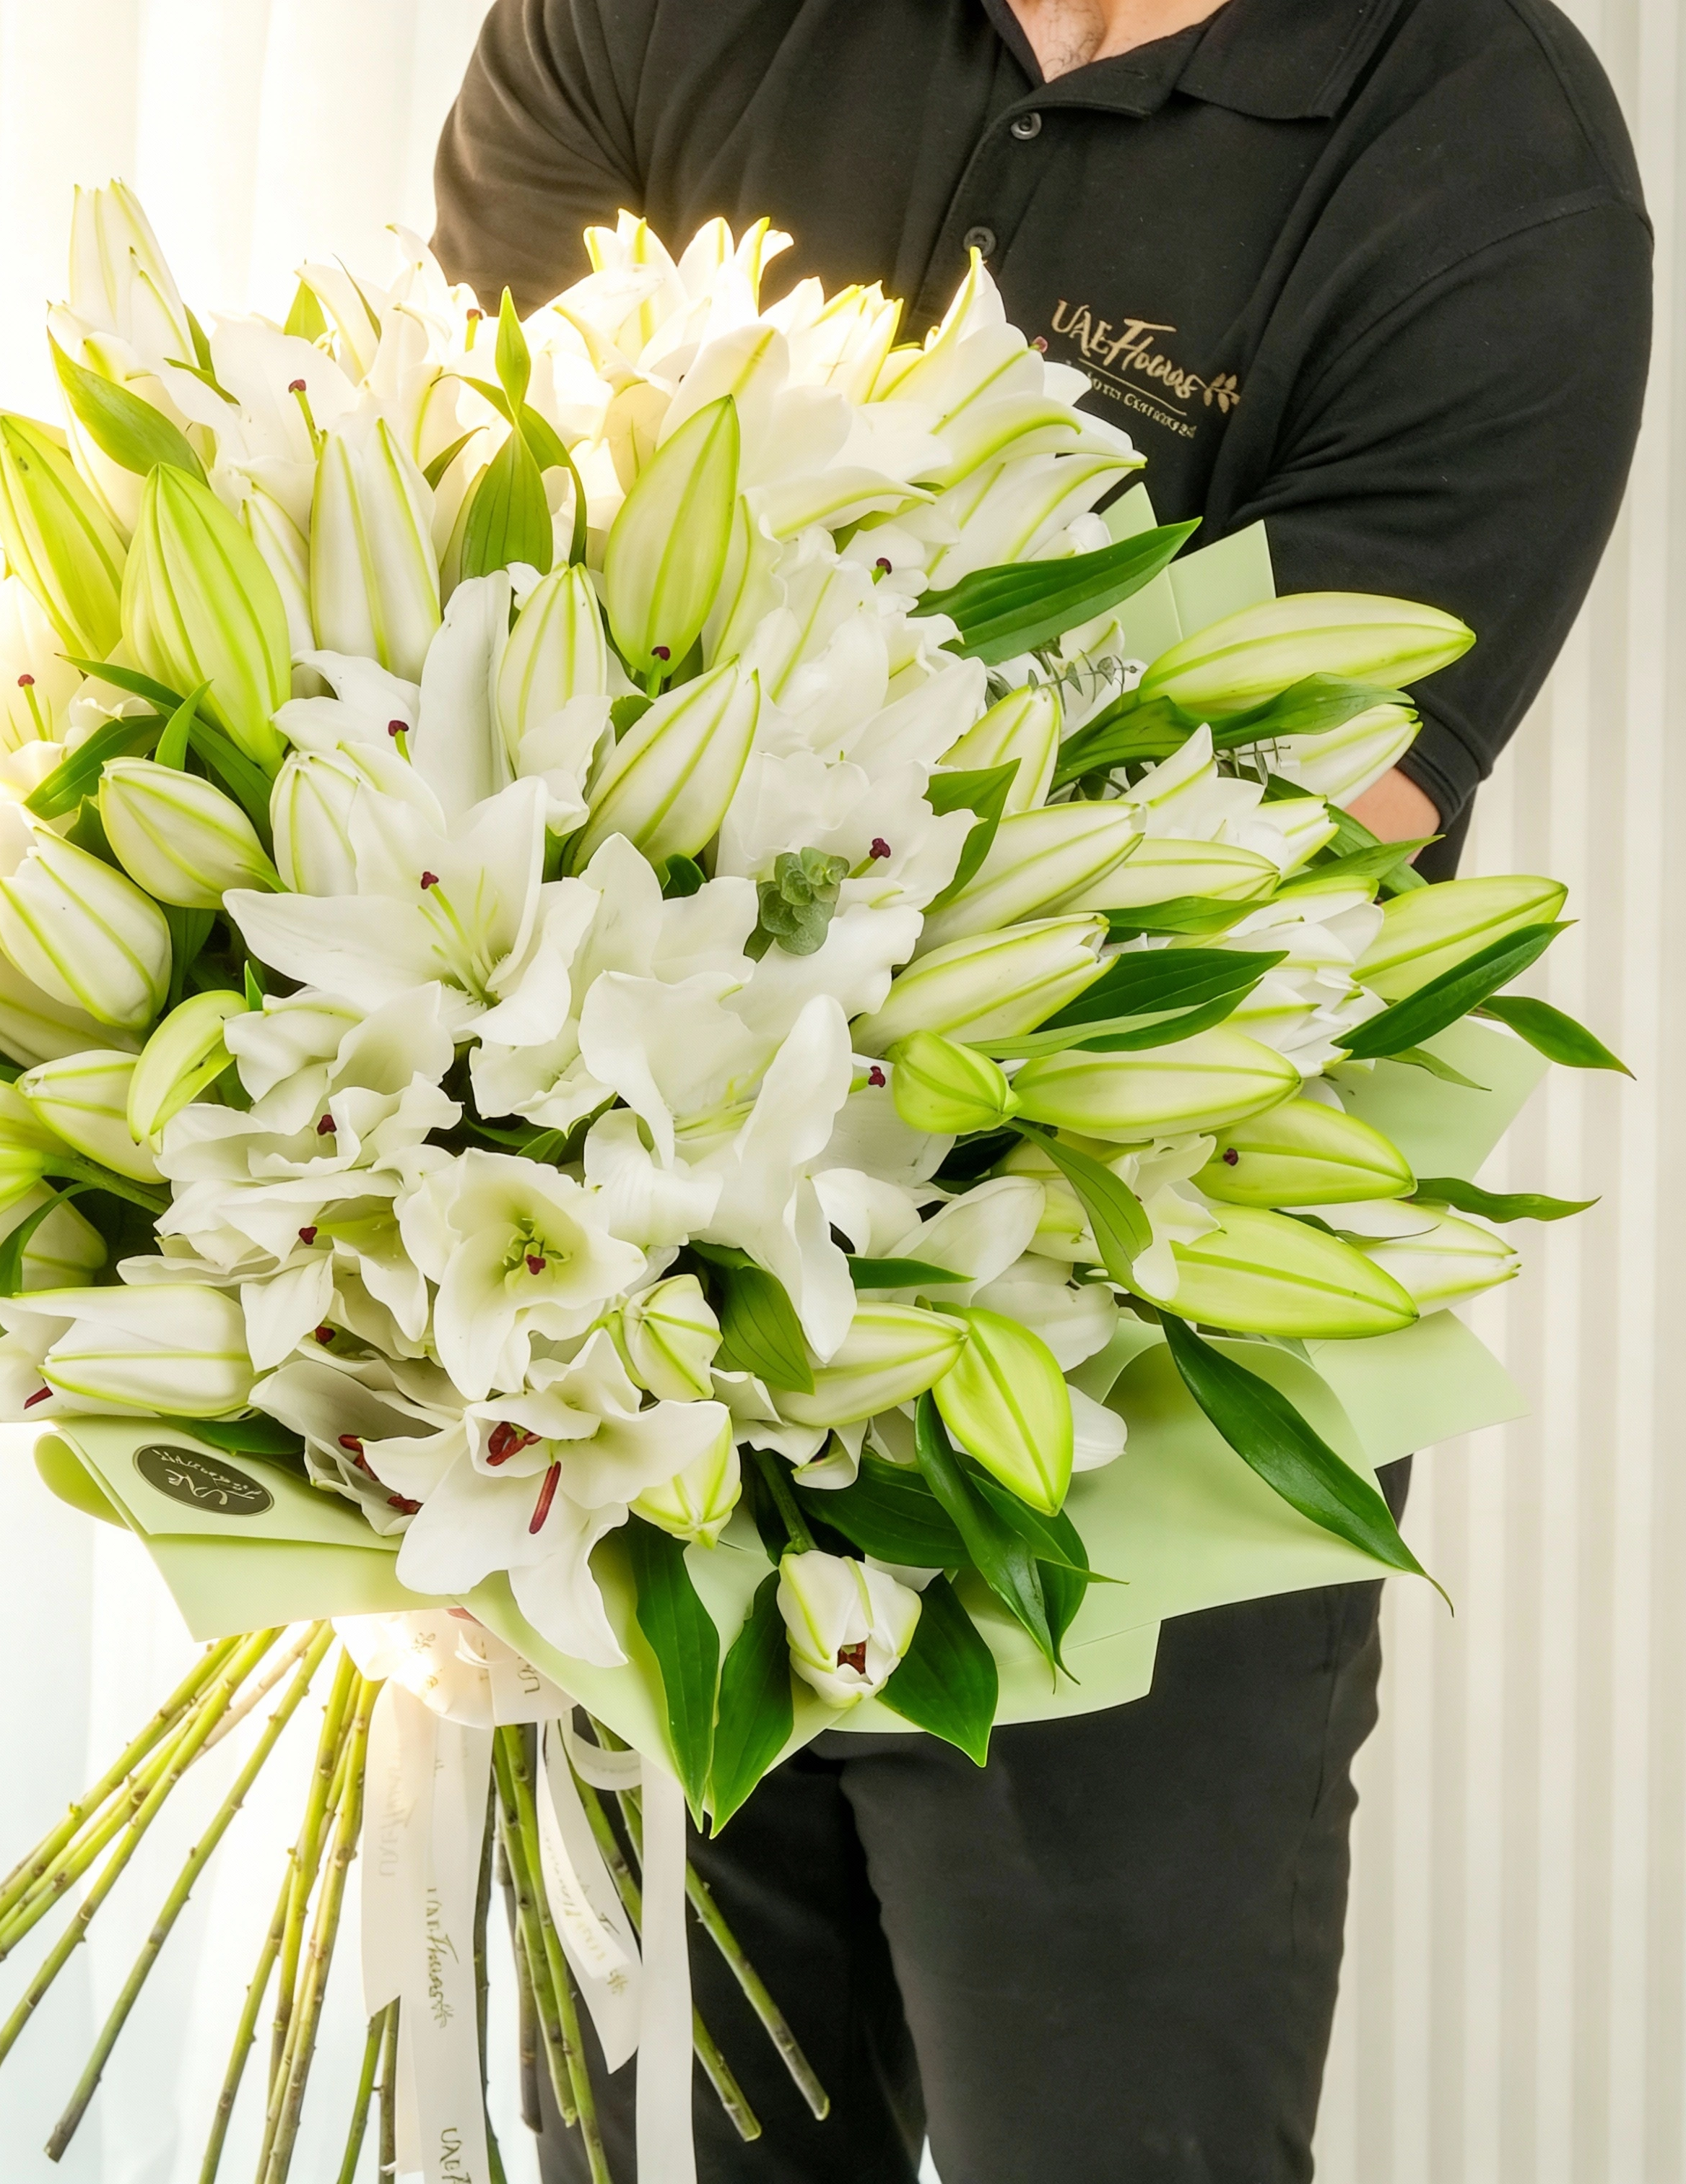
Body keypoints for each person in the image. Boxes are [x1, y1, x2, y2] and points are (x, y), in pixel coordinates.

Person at [429, 3, 1651, 2179]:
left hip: (1111, 1437)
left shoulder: (1483, 149)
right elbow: (454, 628)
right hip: (601, 1408)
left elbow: (1265, 840)